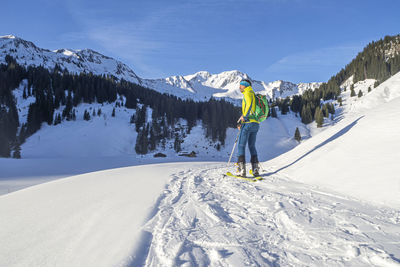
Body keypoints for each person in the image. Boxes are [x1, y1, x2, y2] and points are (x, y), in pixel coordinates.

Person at [236, 79, 260, 177]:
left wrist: (244, 118)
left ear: (245, 86)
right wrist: (243, 116)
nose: (239, 87)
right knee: (252, 146)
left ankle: (242, 171)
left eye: (241, 85)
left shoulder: (247, 93)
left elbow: (249, 105)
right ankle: (255, 170)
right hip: (255, 123)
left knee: (241, 146)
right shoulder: (252, 93)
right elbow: (251, 108)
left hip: (248, 123)